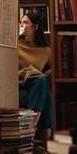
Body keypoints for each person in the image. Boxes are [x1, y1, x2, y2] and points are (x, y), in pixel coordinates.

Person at [18, 12, 52, 145]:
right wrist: (18, 73)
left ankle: (30, 130)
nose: (22, 25)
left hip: (33, 90)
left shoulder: (46, 51)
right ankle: (45, 143)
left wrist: (46, 74)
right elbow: (2, 71)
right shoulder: (15, 46)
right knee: (46, 96)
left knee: (42, 82)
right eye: (21, 23)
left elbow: (55, 70)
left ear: (35, 27)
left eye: (25, 23)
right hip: (16, 88)